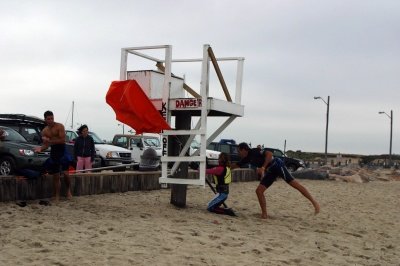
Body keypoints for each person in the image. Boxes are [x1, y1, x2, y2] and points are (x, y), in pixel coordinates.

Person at [34, 111, 72, 201]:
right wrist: (41, 148)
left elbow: (62, 140)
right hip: (54, 151)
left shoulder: (60, 126)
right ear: (45, 119)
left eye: (52, 118)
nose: (51, 120)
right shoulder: (44, 131)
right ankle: (57, 195)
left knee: (66, 174)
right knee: (56, 175)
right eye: (48, 119)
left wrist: (49, 140)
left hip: (62, 150)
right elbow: (46, 145)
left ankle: (68, 190)